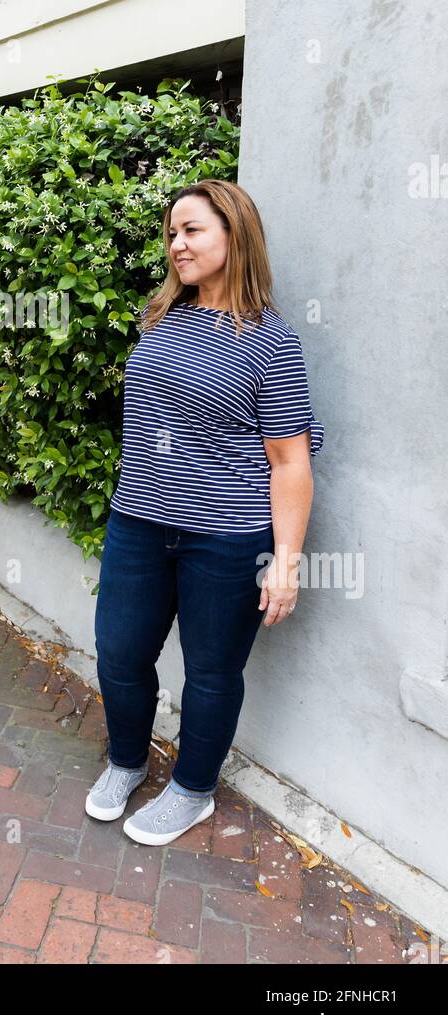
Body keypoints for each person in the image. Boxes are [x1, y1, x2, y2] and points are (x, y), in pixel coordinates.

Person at [86, 179, 324, 846]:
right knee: (120, 653)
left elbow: (290, 459)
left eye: (192, 230)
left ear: (234, 235)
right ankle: (127, 761)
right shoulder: (163, 314)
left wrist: (286, 562)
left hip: (224, 537)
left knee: (212, 674)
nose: (176, 244)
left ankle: (193, 791)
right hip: (138, 521)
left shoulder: (271, 342)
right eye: (172, 233)